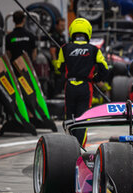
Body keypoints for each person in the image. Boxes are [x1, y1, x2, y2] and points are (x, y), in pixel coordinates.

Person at [56, 18, 109, 147]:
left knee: (70, 118)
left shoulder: (65, 48)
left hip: (70, 87)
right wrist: (95, 79)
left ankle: (70, 147)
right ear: (88, 32)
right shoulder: (94, 49)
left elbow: (59, 68)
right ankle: (79, 147)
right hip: (86, 87)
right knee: (83, 119)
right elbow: (105, 69)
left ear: (72, 31)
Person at [48, 17, 67, 98]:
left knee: (62, 80)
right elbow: (52, 50)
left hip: (63, 63)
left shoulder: (62, 36)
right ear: (56, 25)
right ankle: (54, 96)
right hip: (57, 64)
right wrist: (55, 63)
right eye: (61, 25)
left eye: (64, 25)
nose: (63, 27)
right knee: (57, 81)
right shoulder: (54, 36)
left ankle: (59, 93)